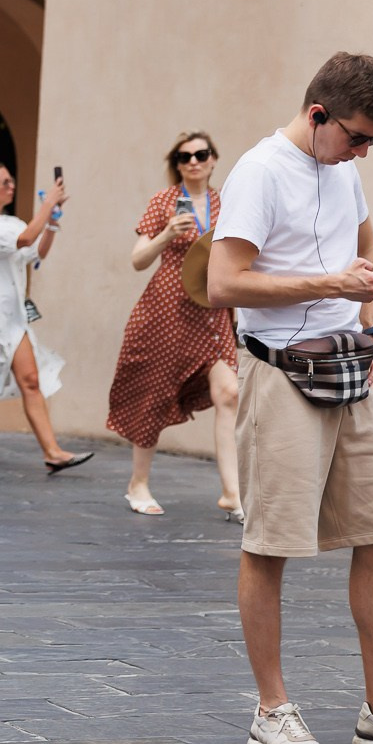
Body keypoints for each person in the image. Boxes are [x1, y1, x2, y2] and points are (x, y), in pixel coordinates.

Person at [208, 52, 373, 744]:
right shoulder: (258, 172)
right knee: (269, 545)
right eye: (358, 136)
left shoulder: (344, 170)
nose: (363, 151)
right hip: (280, 373)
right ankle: (270, 710)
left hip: (348, 368)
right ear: (317, 115)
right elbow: (223, 283)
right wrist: (329, 282)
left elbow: (367, 247)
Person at [106, 132, 240, 517]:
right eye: (184, 156)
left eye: (200, 154)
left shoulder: (226, 203)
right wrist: (167, 234)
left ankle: (232, 492)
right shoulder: (163, 201)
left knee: (229, 392)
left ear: (213, 159)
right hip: (167, 311)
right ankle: (138, 483)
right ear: (177, 164)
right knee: (154, 396)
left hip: (211, 311)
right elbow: (138, 260)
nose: (193, 161)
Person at [0, 162, 92, 473]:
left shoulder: (11, 222)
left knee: (31, 381)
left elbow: (35, 251)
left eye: (11, 181)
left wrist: (52, 223)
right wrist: (48, 205)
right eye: (4, 182)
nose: (11, 186)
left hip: (13, 319)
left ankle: (53, 452)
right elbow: (24, 239)